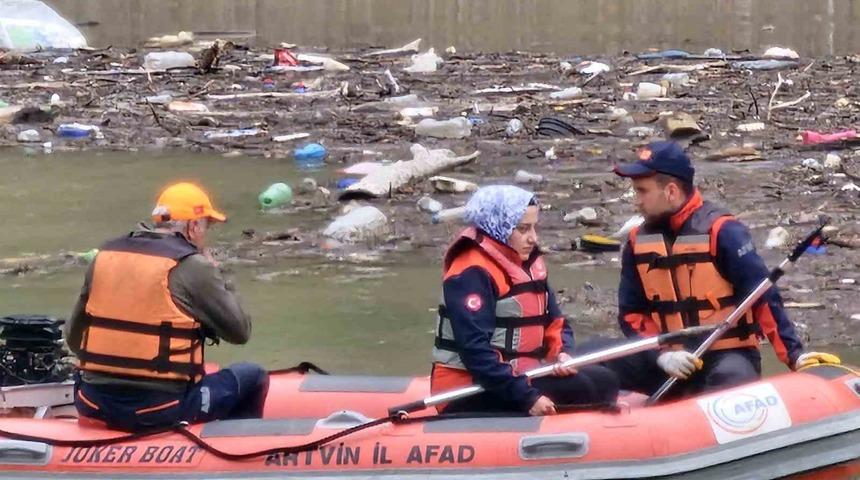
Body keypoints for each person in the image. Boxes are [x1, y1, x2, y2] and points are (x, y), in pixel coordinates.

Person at [605, 140, 839, 398]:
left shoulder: (723, 232)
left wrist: (794, 356)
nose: (636, 201)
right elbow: (631, 315)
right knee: (599, 362)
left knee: (729, 379)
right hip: (671, 360)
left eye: (642, 191)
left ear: (670, 191)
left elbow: (761, 296)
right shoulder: (638, 242)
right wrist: (662, 355)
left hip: (726, 356)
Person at [66, 182, 269, 431]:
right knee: (252, 376)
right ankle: (232, 456)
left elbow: (74, 340)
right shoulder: (194, 266)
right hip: (161, 410)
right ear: (194, 226)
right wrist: (221, 276)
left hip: (92, 402)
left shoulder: (103, 257)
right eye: (206, 227)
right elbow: (240, 332)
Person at [430, 185, 619, 416]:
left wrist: (562, 353)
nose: (533, 238)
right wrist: (527, 397)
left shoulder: (525, 261)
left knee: (605, 380)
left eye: (533, 227)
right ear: (498, 225)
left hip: (519, 376)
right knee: (585, 389)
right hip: (468, 389)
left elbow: (555, 321)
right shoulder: (471, 272)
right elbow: (475, 351)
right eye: (523, 229)